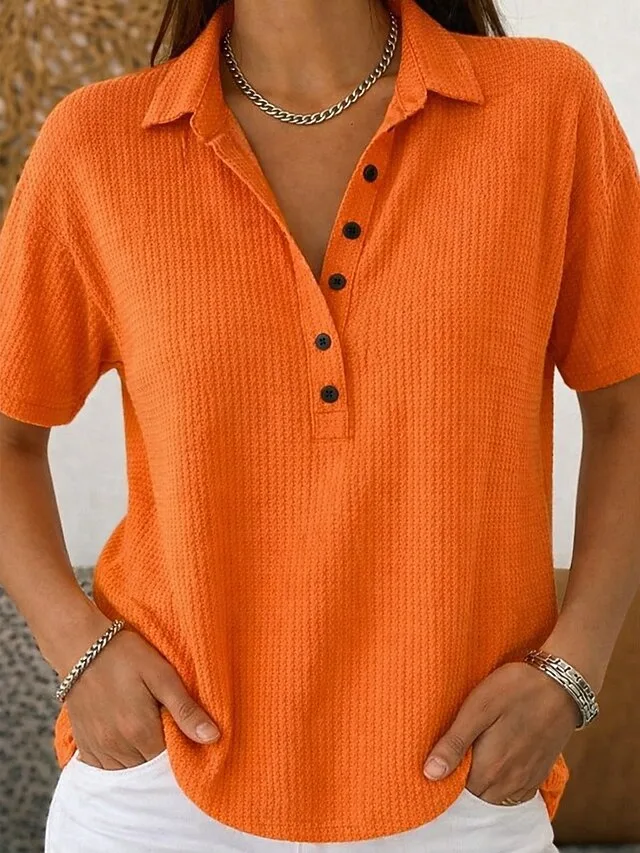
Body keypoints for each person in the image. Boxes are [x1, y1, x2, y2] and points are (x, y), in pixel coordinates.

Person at [1, 0, 639, 850]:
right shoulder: (98, 143)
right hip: (161, 784)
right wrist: (77, 647)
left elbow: (627, 407)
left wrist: (573, 670)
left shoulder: (545, 106)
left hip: (465, 783)